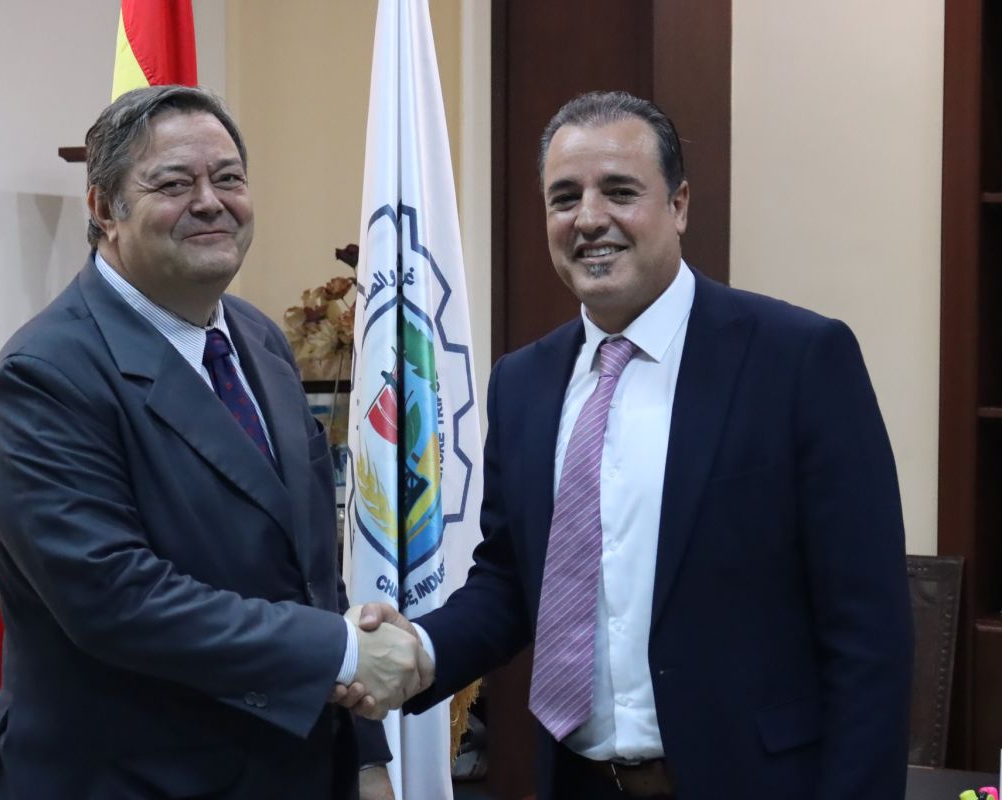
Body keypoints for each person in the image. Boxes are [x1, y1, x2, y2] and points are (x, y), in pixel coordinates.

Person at [352, 91, 912, 800]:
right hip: (577, 782)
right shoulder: (523, 383)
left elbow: (868, 631)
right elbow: (512, 579)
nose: (589, 219)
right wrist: (422, 649)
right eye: (565, 198)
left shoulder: (798, 361)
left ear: (678, 206)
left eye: (619, 191)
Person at [0, 85, 430, 800]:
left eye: (229, 178)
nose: (211, 202)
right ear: (103, 209)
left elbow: (311, 571)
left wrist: (365, 755)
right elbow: (117, 599)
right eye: (173, 184)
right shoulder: (46, 376)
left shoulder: (257, 338)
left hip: (295, 770)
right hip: (132, 780)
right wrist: (340, 651)